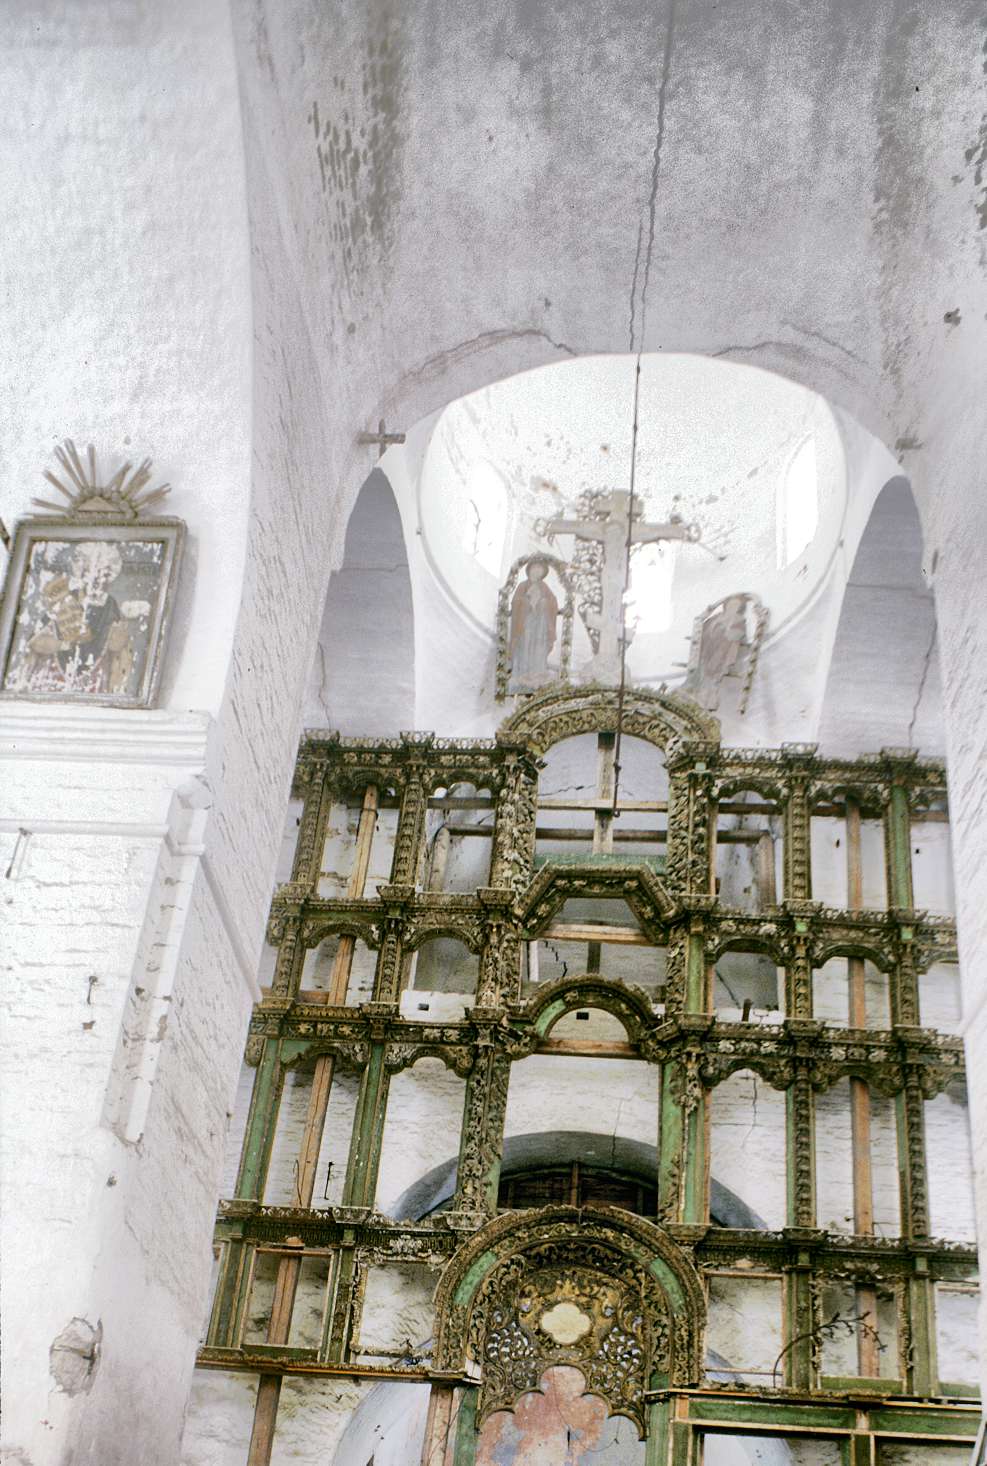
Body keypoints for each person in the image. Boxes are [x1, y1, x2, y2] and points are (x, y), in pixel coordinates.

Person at [508, 558, 559, 692]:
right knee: (525, 645)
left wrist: (544, 603)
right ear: (529, 570)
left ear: (543, 573)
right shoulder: (523, 586)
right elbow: (516, 602)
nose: (537, 571)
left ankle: (537, 673)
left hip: (540, 626)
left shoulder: (544, 587)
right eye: (534, 568)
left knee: (538, 647)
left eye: (540, 569)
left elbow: (553, 601)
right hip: (525, 624)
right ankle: (522, 674)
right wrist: (526, 601)